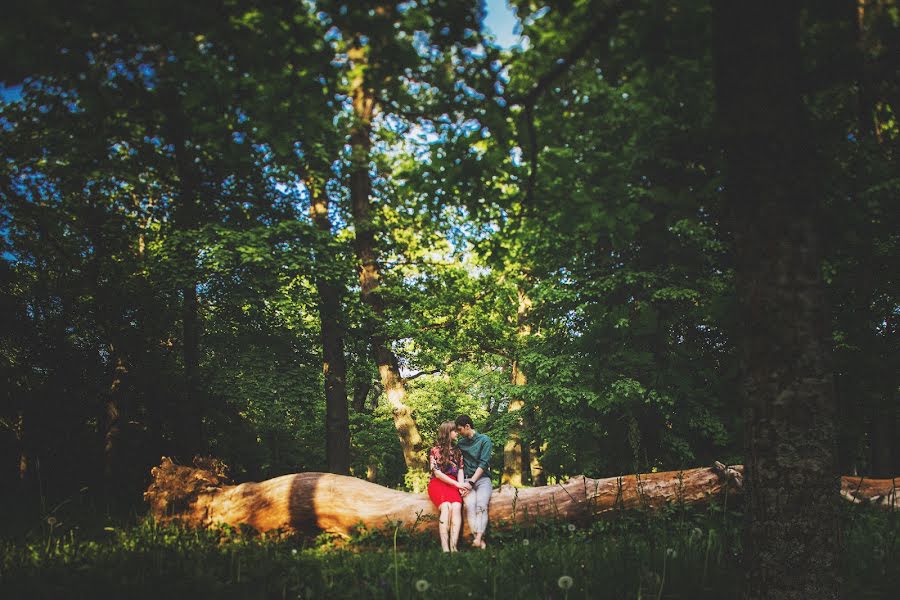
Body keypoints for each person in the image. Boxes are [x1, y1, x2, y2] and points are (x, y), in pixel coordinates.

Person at [426, 420, 468, 552]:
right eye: (455, 431)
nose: (457, 433)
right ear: (447, 432)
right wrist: (457, 484)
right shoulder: (435, 450)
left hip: (453, 483)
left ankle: (454, 547)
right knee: (446, 507)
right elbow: (437, 473)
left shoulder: (457, 451)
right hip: (438, 483)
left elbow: (460, 470)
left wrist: (461, 486)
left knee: (456, 506)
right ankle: (445, 549)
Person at [455, 414, 493, 549]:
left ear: (467, 426)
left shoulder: (485, 440)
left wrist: (471, 483)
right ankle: (479, 540)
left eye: (460, 430)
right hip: (466, 481)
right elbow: (459, 466)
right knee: (470, 506)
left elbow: (484, 464)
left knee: (481, 505)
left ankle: (477, 538)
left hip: (483, 480)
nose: (458, 433)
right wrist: (462, 485)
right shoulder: (460, 444)